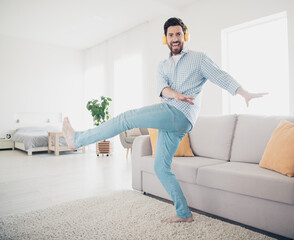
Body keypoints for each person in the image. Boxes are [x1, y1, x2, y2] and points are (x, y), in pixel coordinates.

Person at [62, 17, 267, 223]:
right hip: (173, 116)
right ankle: (184, 213)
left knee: (126, 118)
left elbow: (220, 76)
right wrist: (175, 94)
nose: (175, 38)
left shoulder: (199, 59)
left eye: (178, 34)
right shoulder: (163, 66)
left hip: (180, 115)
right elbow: (163, 90)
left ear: (184, 36)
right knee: (161, 167)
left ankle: (77, 140)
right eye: (171, 35)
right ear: (165, 38)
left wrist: (244, 93)